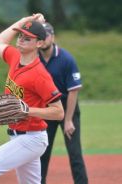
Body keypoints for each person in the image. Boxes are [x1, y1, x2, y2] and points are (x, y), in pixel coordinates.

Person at [0, 14, 64, 184]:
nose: (21, 40)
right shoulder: (15, 57)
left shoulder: (40, 75)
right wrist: (23, 21)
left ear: (39, 43)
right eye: (20, 35)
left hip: (31, 138)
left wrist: (27, 110)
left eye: (27, 38)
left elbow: (59, 112)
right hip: (19, 136)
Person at [39, 22, 88, 184]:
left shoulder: (66, 59)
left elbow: (73, 91)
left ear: (52, 37)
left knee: (75, 153)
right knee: (42, 153)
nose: (43, 39)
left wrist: (68, 120)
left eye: (46, 35)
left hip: (68, 108)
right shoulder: (34, 59)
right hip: (48, 110)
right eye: (40, 35)